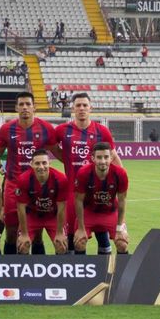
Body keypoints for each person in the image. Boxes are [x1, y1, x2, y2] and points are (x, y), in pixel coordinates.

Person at [0, 92, 58, 255]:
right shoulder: (6, 129)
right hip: (13, 185)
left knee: (37, 232)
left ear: (34, 107)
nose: (25, 107)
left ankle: (37, 273)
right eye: (21, 104)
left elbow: (57, 151)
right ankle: (10, 271)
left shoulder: (46, 128)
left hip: (39, 186)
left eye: (28, 104)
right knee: (11, 231)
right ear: (16, 108)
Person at [53, 92, 122, 252]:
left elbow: (112, 155)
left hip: (97, 191)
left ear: (91, 108)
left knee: (101, 232)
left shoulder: (102, 131)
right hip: (72, 190)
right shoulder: (63, 130)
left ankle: (104, 271)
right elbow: (51, 146)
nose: (82, 108)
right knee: (73, 235)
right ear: (73, 108)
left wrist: (120, 177)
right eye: (78, 105)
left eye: (85, 105)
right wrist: (66, 159)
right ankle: (76, 272)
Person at [74, 142, 129, 255]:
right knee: (79, 242)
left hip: (111, 213)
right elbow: (78, 200)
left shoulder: (120, 173)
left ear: (111, 157)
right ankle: (82, 271)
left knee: (122, 244)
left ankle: (121, 272)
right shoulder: (84, 173)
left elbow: (122, 201)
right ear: (93, 158)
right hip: (89, 213)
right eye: (99, 157)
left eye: (106, 157)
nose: (103, 161)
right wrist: (80, 228)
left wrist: (120, 228)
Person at [16, 150, 68, 255]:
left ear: (50, 163)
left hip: (53, 217)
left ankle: (58, 270)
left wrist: (59, 233)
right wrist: (24, 234)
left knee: (61, 245)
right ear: (31, 164)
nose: (41, 167)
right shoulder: (23, 179)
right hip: (32, 217)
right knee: (23, 246)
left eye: (44, 163)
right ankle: (27, 270)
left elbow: (62, 208)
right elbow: (21, 208)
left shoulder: (61, 179)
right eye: (37, 163)